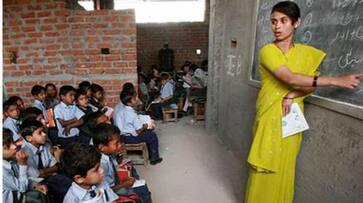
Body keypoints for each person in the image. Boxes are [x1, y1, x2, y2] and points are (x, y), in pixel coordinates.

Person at [245, 2, 363, 203]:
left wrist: (291, 95)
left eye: (284, 21)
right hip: (269, 116)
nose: (277, 27)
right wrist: (336, 80)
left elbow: (308, 85)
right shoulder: (268, 51)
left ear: (296, 23)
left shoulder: (306, 54)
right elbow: (290, 78)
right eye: (273, 21)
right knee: (264, 168)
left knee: (285, 167)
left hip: (291, 117)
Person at [93, 123, 152, 202]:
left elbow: (116, 165)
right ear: (102, 147)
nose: (120, 145)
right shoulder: (101, 165)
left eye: (120, 141)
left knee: (138, 180)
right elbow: (104, 192)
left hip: (115, 183)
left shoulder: (108, 154)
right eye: (116, 143)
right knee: (143, 192)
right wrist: (122, 185)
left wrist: (118, 157)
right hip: (112, 191)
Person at [3, 128, 48, 202]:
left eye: (12, 142)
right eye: (7, 147)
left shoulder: (11, 161)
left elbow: (19, 178)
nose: (14, 146)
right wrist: (23, 165)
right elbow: (22, 187)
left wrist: (34, 185)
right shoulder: (2, 172)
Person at [118, 91, 162, 165]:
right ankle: (154, 158)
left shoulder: (121, 111)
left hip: (122, 137)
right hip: (132, 138)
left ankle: (150, 152)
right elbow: (139, 131)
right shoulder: (132, 114)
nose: (137, 100)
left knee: (148, 133)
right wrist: (145, 126)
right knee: (152, 135)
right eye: (134, 99)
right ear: (129, 103)